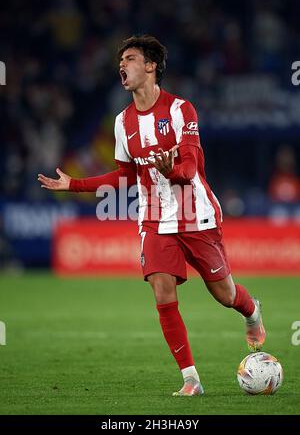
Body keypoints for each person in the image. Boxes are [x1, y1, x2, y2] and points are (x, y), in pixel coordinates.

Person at [38, 35, 266, 397]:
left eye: (129, 58)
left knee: (224, 294)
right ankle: (191, 378)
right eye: (120, 61)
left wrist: (172, 170)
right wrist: (75, 184)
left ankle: (251, 311)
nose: (122, 66)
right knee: (162, 291)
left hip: (196, 214)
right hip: (154, 218)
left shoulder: (180, 110)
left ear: (150, 66)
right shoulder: (122, 122)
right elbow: (126, 175)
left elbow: (189, 167)